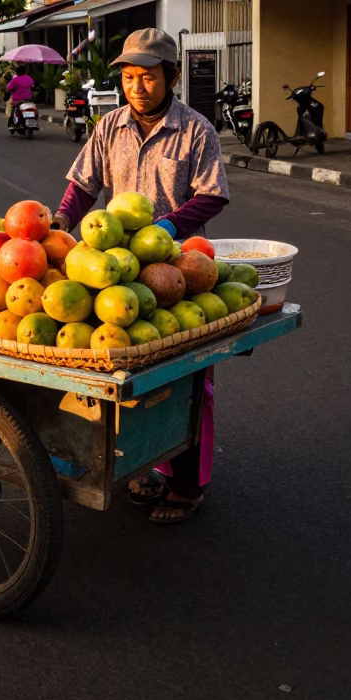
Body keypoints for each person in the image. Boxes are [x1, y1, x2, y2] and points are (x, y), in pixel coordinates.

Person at [52, 28, 230, 524]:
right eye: (129, 77)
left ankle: (189, 482)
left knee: (189, 377)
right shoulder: (109, 126)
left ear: (171, 77)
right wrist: (64, 220)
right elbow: (82, 184)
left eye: (147, 77)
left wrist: (167, 225)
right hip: (116, 266)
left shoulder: (196, 130)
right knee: (123, 375)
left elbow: (212, 194)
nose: (137, 87)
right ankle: (147, 466)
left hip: (177, 265)